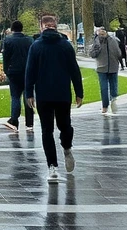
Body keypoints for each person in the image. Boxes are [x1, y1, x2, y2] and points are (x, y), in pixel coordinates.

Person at [25, 14, 84, 183]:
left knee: (47, 131)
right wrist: (79, 92)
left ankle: (52, 167)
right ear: (55, 26)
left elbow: (30, 72)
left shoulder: (36, 46)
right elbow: (74, 70)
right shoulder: (65, 45)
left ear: (41, 27)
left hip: (44, 94)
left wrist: (29, 93)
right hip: (62, 93)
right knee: (65, 125)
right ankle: (66, 146)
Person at [0, 21, 34, 132]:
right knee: (27, 96)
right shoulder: (29, 40)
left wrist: (6, 71)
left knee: (15, 97)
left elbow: (6, 58)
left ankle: (14, 120)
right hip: (28, 72)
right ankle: (30, 123)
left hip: (14, 72)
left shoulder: (8, 40)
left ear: (12, 29)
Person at [89, 26, 123, 114]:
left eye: (102, 32)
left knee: (112, 87)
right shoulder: (97, 41)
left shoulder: (113, 40)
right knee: (104, 88)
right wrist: (97, 48)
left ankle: (112, 102)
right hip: (102, 68)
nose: (101, 34)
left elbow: (118, 53)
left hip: (112, 67)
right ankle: (106, 105)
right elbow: (92, 54)